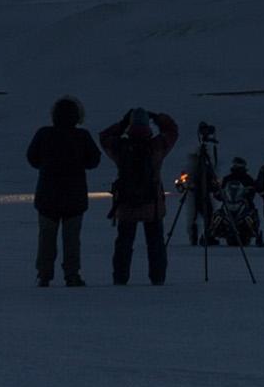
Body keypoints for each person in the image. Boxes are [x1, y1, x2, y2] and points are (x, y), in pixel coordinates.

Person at [26, 95, 102, 287]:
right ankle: (72, 274)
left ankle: (44, 275)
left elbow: (32, 158)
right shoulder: (82, 136)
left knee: (46, 239)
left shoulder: (44, 134)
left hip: (47, 196)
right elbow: (94, 160)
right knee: (72, 240)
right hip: (74, 197)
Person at [100, 108, 180, 286]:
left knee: (124, 243)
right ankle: (157, 278)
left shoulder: (120, 147)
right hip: (152, 204)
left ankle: (120, 278)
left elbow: (104, 137)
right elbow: (172, 131)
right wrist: (158, 117)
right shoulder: (156, 146)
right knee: (156, 243)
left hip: (126, 203)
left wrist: (122, 123)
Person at [180, 143, 219, 246]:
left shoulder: (194, 166)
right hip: (199, 194)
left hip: (198, 194)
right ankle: (203, 236)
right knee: (206, 215)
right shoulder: (197, 167)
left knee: (203, 215)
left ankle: (200, 236)